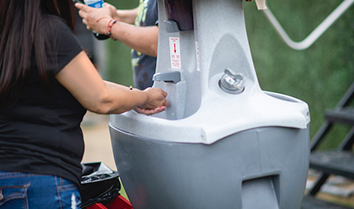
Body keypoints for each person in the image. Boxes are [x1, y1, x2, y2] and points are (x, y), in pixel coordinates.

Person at [0, 0, 169, 208]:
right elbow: (101, 97)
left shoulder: (10, 33)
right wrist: (146, 97)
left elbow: (85, 83)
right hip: (45, 179)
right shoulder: (49, 31)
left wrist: (133, 96)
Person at [75, 0, 159, 90]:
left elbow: (160, 43)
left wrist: (109, 26)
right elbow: (149, 10)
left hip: (167, 95)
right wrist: (117, 16)